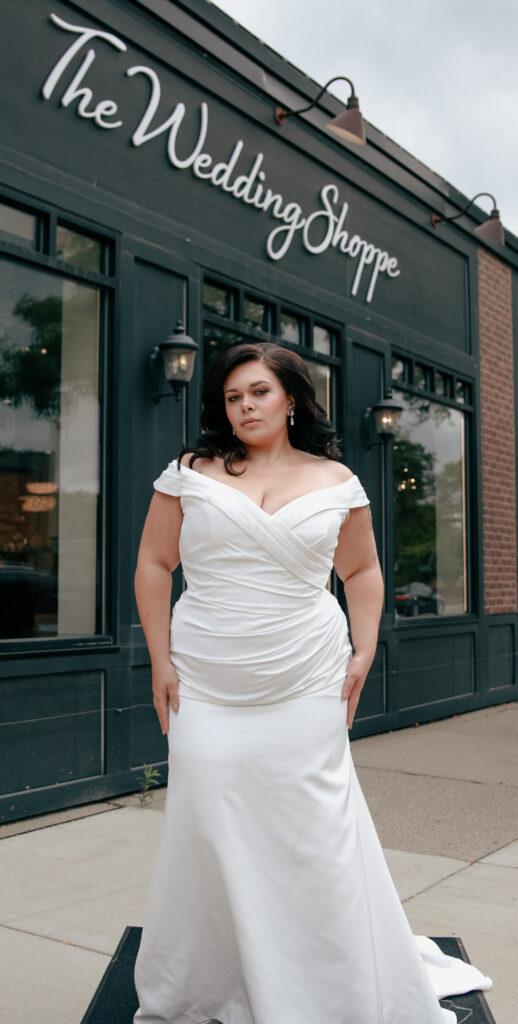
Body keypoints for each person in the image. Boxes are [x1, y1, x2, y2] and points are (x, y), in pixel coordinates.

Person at [132, 342, 490, 1024]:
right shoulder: (189, 472)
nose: (245, 406)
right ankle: (219, 975)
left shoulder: (335, 480)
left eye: (259, 392)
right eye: (234, 396)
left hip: (305, 675)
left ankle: (323, 981)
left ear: (290, 397)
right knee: (207, 823)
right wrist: (160, 659)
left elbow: (363, 573)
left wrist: (362, 650)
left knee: (311, 831)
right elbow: (154, 562)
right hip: (207, 676)